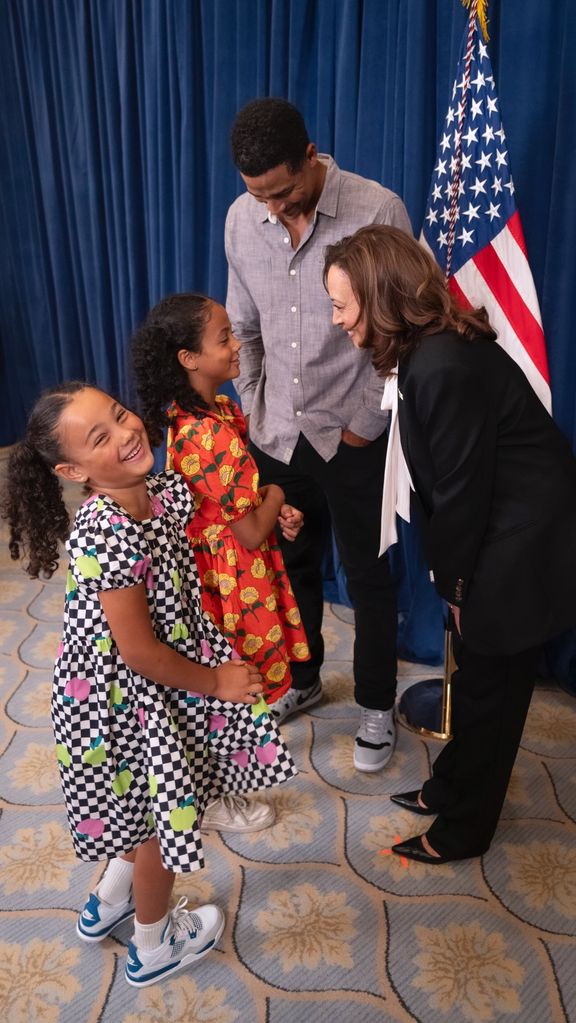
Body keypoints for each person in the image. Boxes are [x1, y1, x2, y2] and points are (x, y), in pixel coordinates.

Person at [1, 383, 296, 985]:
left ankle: (107, 905)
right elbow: (136, 651)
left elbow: (218, 522)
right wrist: (214, 680)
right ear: (71, 470)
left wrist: (275, 504)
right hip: (119, 698)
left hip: (145, 683)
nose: (126, 432)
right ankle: (154, 945)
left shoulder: (160, 494)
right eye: (99, 438)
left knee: (135, 812)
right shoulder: (105, 530)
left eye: (118, 414)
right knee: (164, 820)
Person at [324, 224, 576, 863]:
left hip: (518, 548)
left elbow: (462, 493)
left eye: (341, 304)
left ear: (379, 297)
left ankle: (463, 830)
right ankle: (449, 787)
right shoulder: (427, 350)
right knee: (478, 680)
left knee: (493, 694)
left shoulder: (442, 364)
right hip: (492, 535)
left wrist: (455, 588)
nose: (336, 320)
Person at [225, 97, 412, 772]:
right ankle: (302, 677)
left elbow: (400, 334)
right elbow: (243, 330)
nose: (270, 208)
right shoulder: (241, 219)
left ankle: (375, 707)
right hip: (275, 435)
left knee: (367, 575)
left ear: (311, 157)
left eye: (282, 191)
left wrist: (366, 423)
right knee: (287, 566)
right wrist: (254, 408)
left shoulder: (378, 208)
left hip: (354, 435)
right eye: (257, 196)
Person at [130, 291, 310, 707]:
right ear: (189, 358)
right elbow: (247, 532)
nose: (237, 344)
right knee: (244, 681)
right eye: (224, 338)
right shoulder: (207, 434)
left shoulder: (215, 412)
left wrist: (269, 504)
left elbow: (231, 499)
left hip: (225, 555)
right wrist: (279, 491)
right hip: (232, 574)